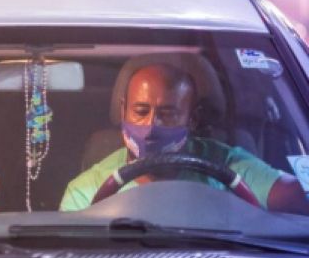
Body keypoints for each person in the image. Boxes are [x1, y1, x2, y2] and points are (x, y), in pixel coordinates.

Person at [60, 63, 309, 214]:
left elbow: (296, 194)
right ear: (123, 110)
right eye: (141, 111)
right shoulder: (86, 191)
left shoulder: (229, 166)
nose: (151, 126)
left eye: (168, 114)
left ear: (192, 119)